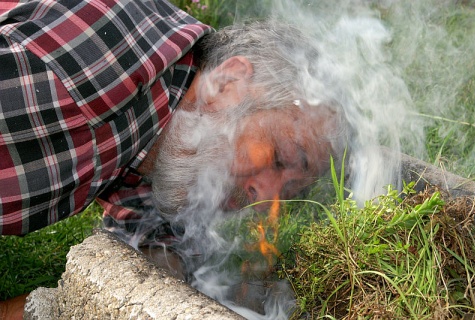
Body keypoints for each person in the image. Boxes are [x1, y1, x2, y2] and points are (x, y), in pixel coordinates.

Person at [0, 0, 343, 318]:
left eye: (289, 192)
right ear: (227, 84)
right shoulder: (102, 70)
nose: (266, 200)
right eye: (281, 159)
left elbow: (152, 246)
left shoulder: (173, 127)